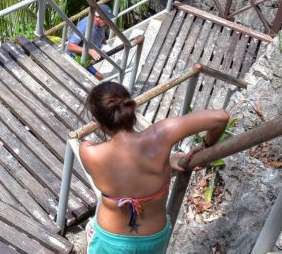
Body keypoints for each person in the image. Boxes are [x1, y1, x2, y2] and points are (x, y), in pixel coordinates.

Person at [79, 82, 230, 254]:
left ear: (98, 120)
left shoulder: (88, 152)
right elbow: (221, 117)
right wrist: (204, 147)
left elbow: (126, 170)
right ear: (130, 108)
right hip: (153, 239)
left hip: (110, 239)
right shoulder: (160, 134)